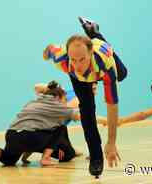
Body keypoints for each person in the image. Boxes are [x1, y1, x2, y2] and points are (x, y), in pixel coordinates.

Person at [43, 17, 127, 177]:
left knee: (123, 74)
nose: (78, 65)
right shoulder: (62, 58)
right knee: (87, 112)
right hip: (79, 79)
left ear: (90, 54)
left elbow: (112, 106)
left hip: (103, 57)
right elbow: (49, 50)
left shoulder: (105, 66)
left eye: (82, 59)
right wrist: (47, 53)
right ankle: (96, 158)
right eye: (73, 59)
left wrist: (111, 142)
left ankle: (94, 32)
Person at [0, 81, 82, 168]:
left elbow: (33, 124)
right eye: (65, 99)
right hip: (31, 137)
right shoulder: (58, 106)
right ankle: (46, 158)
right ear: (57, 97)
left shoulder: (33, 102)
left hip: (12, 135)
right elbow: (82, 117)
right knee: (60, 128)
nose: (65, 102)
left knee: (9, 160)